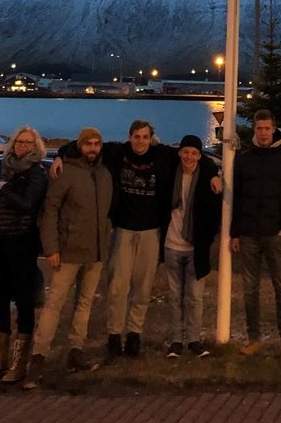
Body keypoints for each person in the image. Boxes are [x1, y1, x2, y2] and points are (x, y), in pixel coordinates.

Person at [51, 119, 220, 360]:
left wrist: (213, 174)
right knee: (117, 287)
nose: (141, 141)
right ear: (129, 137)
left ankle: (134, 335)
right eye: (137, 136)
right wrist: (60, 155)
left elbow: (195, 156)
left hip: (151, 231)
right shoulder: (116, 152)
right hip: (123, 230)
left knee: (142, 289)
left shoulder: (162, 155)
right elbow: (84, 145)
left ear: (151, 138)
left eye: (145, 137)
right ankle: (114, 336)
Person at [23, 126, 112, 389]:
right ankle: (38, 358)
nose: (93, 148)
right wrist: (51, 248)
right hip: (68, 252)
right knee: (54, 305)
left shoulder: (105, 174)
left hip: (95, 252)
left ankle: (76, 351)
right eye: (88, 144)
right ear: (80, 146)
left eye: (96, 144)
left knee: (84, 304)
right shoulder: (65, 173)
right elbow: (50, 211)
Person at [0, 125, 48, 385]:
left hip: (21, 241)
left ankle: (19, 363)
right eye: (19, 142)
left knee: (24, 302)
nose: (23, 146)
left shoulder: (36, 173)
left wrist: (4, 190)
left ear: (36, 146)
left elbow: (29, 205)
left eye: (28, 142)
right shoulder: (7, 167)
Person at [230, 109, 281, 358]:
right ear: (255, 129)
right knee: (250, 290)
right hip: (249, 233)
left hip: (275, 234)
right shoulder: (244, 159)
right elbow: (237, 198)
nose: (263, 133)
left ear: (274, 129)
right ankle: (254, 338)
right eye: (259, 128)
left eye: (267, 128)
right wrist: (235, 232)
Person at [162, 133, 222, 358]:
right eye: (185, 152)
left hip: (196, 248)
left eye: (194, 153)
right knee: (174, 296)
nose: (189, 157)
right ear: (179, 152)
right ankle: (176, 341)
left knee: (195, 297)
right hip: (171, 245)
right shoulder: (170, 171)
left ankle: (194, 340)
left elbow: (214, 214)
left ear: (199, 155)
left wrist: (214, 173)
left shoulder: (206, 178)